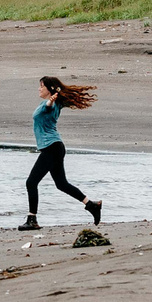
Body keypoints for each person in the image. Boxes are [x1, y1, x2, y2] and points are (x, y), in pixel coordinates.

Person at [22, 75, 103, 231]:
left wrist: (51, 100)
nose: (39, 89)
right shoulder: (52, 103)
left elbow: (48, 106)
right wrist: (51, 100)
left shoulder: (51, 104)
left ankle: (32, 219)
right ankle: (92, 205)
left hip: (52, 148)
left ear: (50, 89)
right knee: (61, 184)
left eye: (41, 86)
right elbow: (47, 104)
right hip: (55, 148)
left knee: (31, 182)